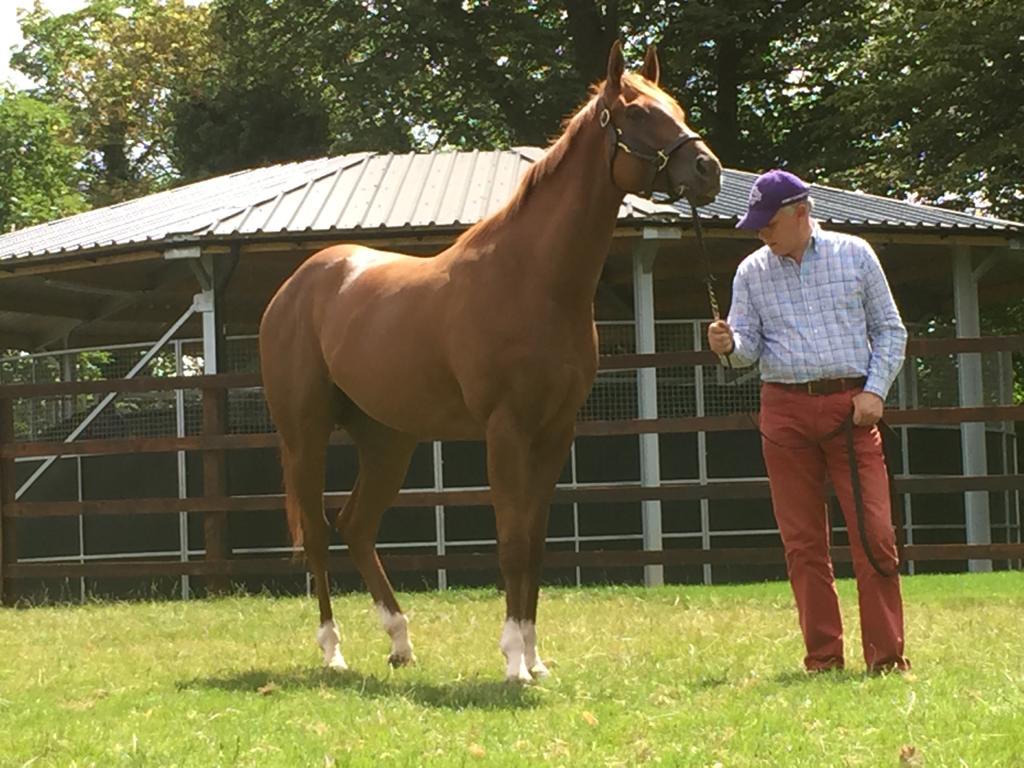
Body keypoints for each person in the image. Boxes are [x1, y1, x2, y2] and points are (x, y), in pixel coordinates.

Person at [707, 169, 910, 673]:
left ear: (801, 213)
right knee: (802, 543)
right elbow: (747, 351)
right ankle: (823, 656)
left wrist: (873, 391)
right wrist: (728, 347)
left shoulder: (855, 254)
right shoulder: (751, 272)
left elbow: (891, 330)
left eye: (768, 223)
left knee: (874, 534)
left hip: (850, 409)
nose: (761, 233)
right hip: (784, 410)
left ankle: (886, 658)